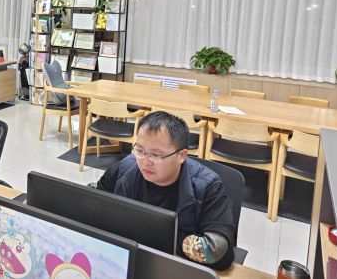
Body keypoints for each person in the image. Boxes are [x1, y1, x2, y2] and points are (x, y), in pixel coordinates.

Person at [96, 111, 235, 270]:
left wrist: (150, 233)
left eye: (156, 155)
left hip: (174, 268)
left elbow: (217, 252)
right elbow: (92, 205)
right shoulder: (124, 168)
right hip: (124, 261)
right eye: (140, 151)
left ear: (182, 155)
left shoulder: (208, 186)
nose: (145, 162)